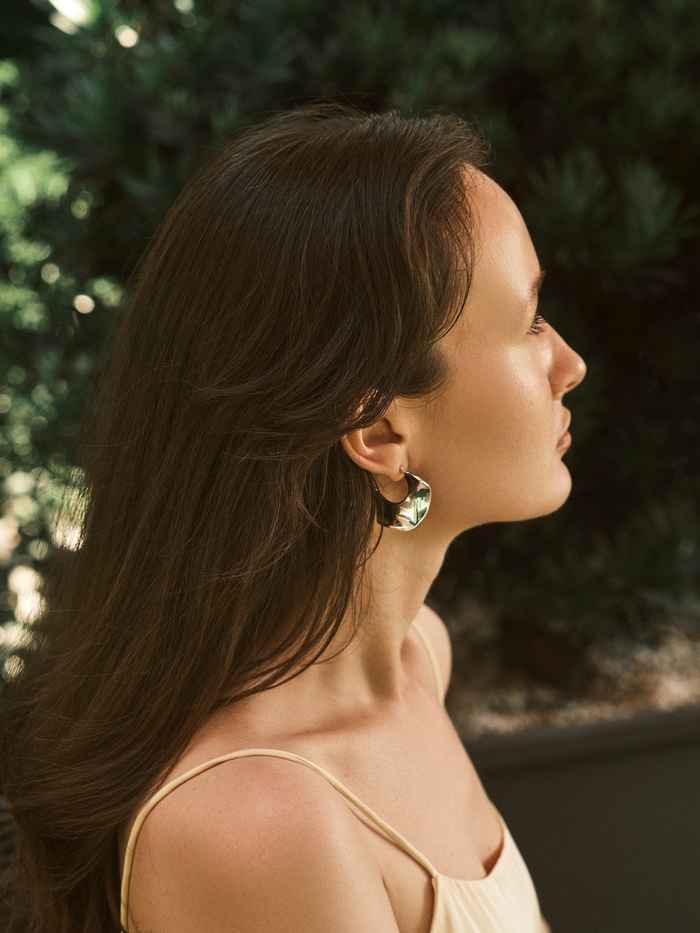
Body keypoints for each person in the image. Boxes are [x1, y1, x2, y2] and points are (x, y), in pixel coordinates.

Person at [0, 102, 585, 932]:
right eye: (528, 323)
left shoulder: (420, 656)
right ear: (379, 432)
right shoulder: (260, 823)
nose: (570, 363)